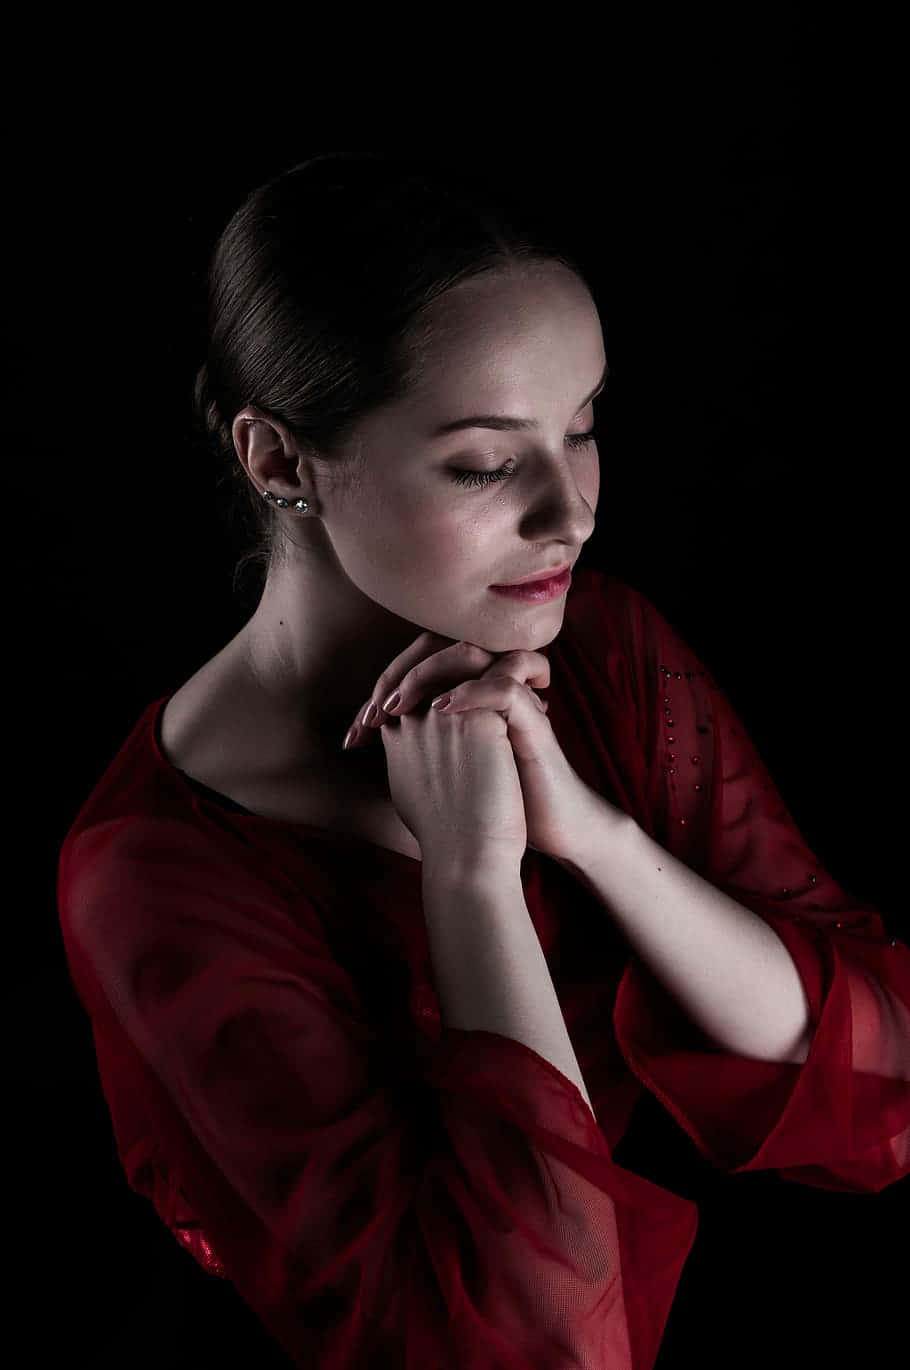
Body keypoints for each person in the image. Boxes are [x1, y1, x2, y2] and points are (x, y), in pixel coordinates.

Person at [57, 151, 909, 1370]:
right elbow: (532, 1346)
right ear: (280, 462)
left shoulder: (597, 648)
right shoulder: (154, 871)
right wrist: (472, 879)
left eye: (584, 426)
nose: (573, 512)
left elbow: (880, 1094)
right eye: (484, 460)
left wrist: (596, 838)